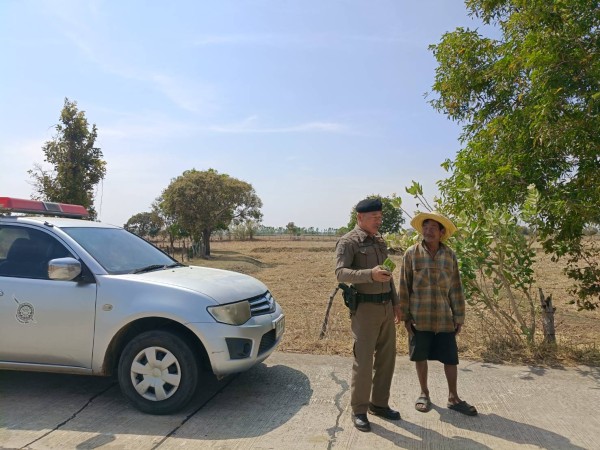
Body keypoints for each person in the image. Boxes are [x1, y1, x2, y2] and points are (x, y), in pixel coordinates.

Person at [398, 211, 477, 416]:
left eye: (433, 228)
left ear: (442, 232)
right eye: (425, 227)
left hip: (443, 317)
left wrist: (459, 316)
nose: (428, 231)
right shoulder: (411, 254)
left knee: (450, 358)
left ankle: (453, 397)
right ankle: (424, 394)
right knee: (420, 356)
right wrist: (405, 316)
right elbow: (404, 286)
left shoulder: (449, 255)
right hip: (419, 316)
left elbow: (456, 288)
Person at [335, 197, 402, 432]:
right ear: (360, 217)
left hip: (385, 307)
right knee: (363, 362)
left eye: (380, 217)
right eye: (374, 217)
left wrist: (396, 303)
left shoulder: (379, 240)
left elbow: (388, 274)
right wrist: (368, 275)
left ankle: (379, 404)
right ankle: (359, 410)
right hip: (364, 310)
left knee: (386, 359)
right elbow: (341, 273)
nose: (378, 221)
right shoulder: (349, 242)